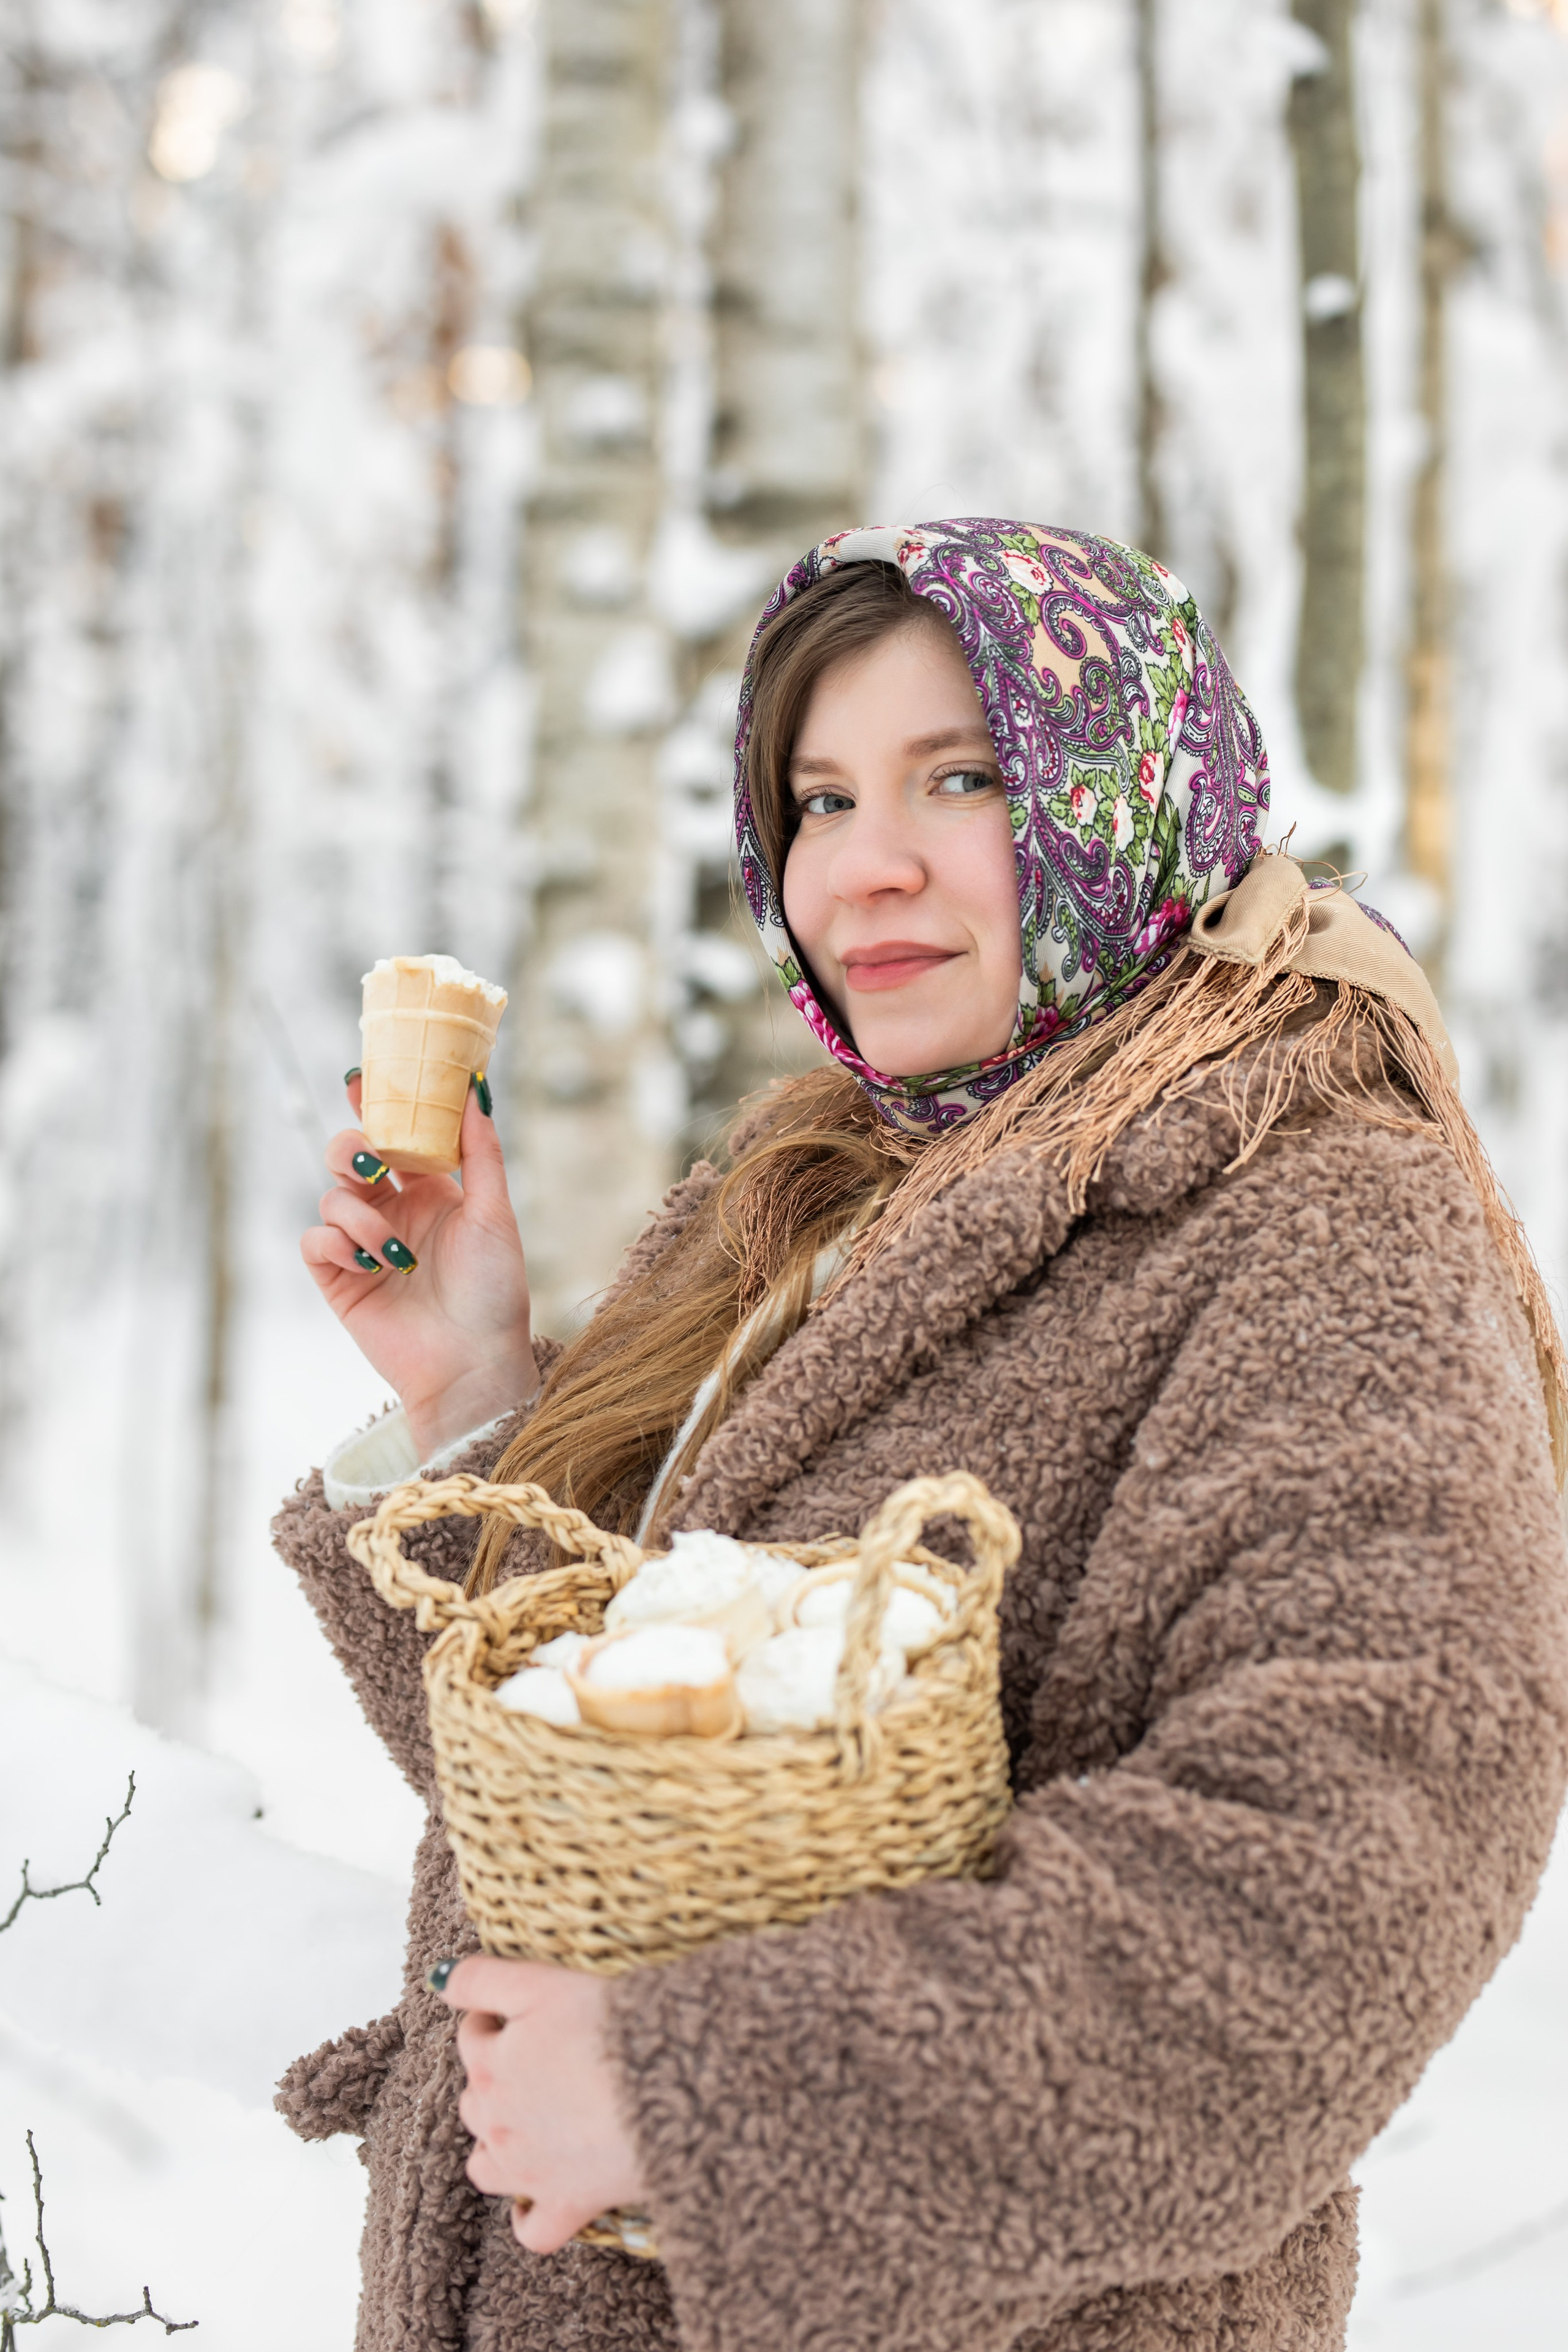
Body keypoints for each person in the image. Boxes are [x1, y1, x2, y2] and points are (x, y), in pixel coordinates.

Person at [274, 521, 1568, 2352]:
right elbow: (609, 1798)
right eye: (816, 799)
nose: (861, 867)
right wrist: (476, 1395)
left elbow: (1331, 1902)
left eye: (959, 778)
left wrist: (702, 2096)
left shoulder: (1316, 1221)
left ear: (1119, 791)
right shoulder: (817, 1192)